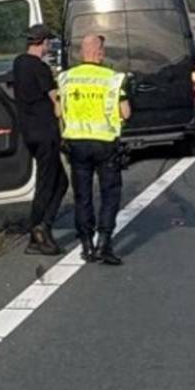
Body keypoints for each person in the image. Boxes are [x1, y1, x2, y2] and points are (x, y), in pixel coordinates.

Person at [57, 35, 131, 266]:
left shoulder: (66, 79)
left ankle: (86, 245)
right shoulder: (112, 79)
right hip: (105, 144)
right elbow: (125, 112)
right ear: (100, 53)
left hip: (77, 144)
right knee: (110, 194)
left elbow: (59, 111)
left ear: (82, 53)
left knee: (83, 196)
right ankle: (103, 244)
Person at [13, 24, 69, 256]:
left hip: (29, 132)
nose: (50, 46)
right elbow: (55, 101)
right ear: (42, 42)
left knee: (60, 181)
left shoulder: (18, 64)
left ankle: (42, 227)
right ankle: (38, 230)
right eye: (49, 42)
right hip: (46, 132)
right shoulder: (40, 68)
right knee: (47, 183)